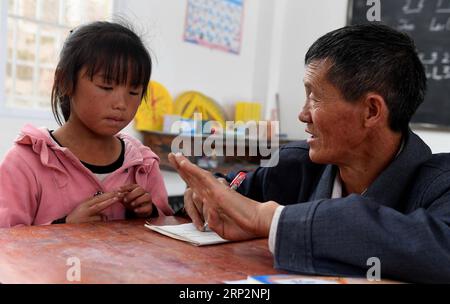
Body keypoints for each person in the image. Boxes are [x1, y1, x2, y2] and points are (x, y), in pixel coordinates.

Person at [169, 24, 450, 283]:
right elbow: (236, 191)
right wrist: (211, 191)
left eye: (314, 97)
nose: (303, 115)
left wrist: (269, 218)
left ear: (371, 111)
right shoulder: (298, 164)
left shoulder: (440, 184)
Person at [0, 21, 173, 228]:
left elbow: (166, 237)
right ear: (65, 82)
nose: (121, 104)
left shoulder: (143, 165)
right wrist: (64, 227)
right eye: (106, 86)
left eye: (134, 91)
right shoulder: (26, 162)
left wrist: (150, 212)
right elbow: (7, 246)